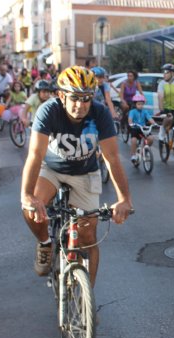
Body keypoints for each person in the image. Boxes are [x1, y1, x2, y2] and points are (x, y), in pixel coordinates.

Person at [20, 66, 133, 286]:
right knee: (31, 209)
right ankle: (44, 243)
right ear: (61, 95)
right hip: (51, 169)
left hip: (85, 172)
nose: (80, 105)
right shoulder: (48, 110)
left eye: (86, 99)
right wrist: (27, 195)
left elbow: (111, 157)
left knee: (88, 236)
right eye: (74, 98)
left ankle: (86, 300)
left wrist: (124, 199)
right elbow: (35, 154)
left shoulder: (99, 113)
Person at [127, 93, 156, 164]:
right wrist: (131, 124)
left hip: (143, 128)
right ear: (135, 104)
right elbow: (130, 119)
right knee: (134, 140)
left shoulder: (145, 112)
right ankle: (133, 155)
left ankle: (144, 149)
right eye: (139, 104)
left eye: (142, 104)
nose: (141, 106)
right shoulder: (132, 112)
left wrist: (154, 123)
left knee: (151, 138)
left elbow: (149, 118)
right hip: (135, 128)